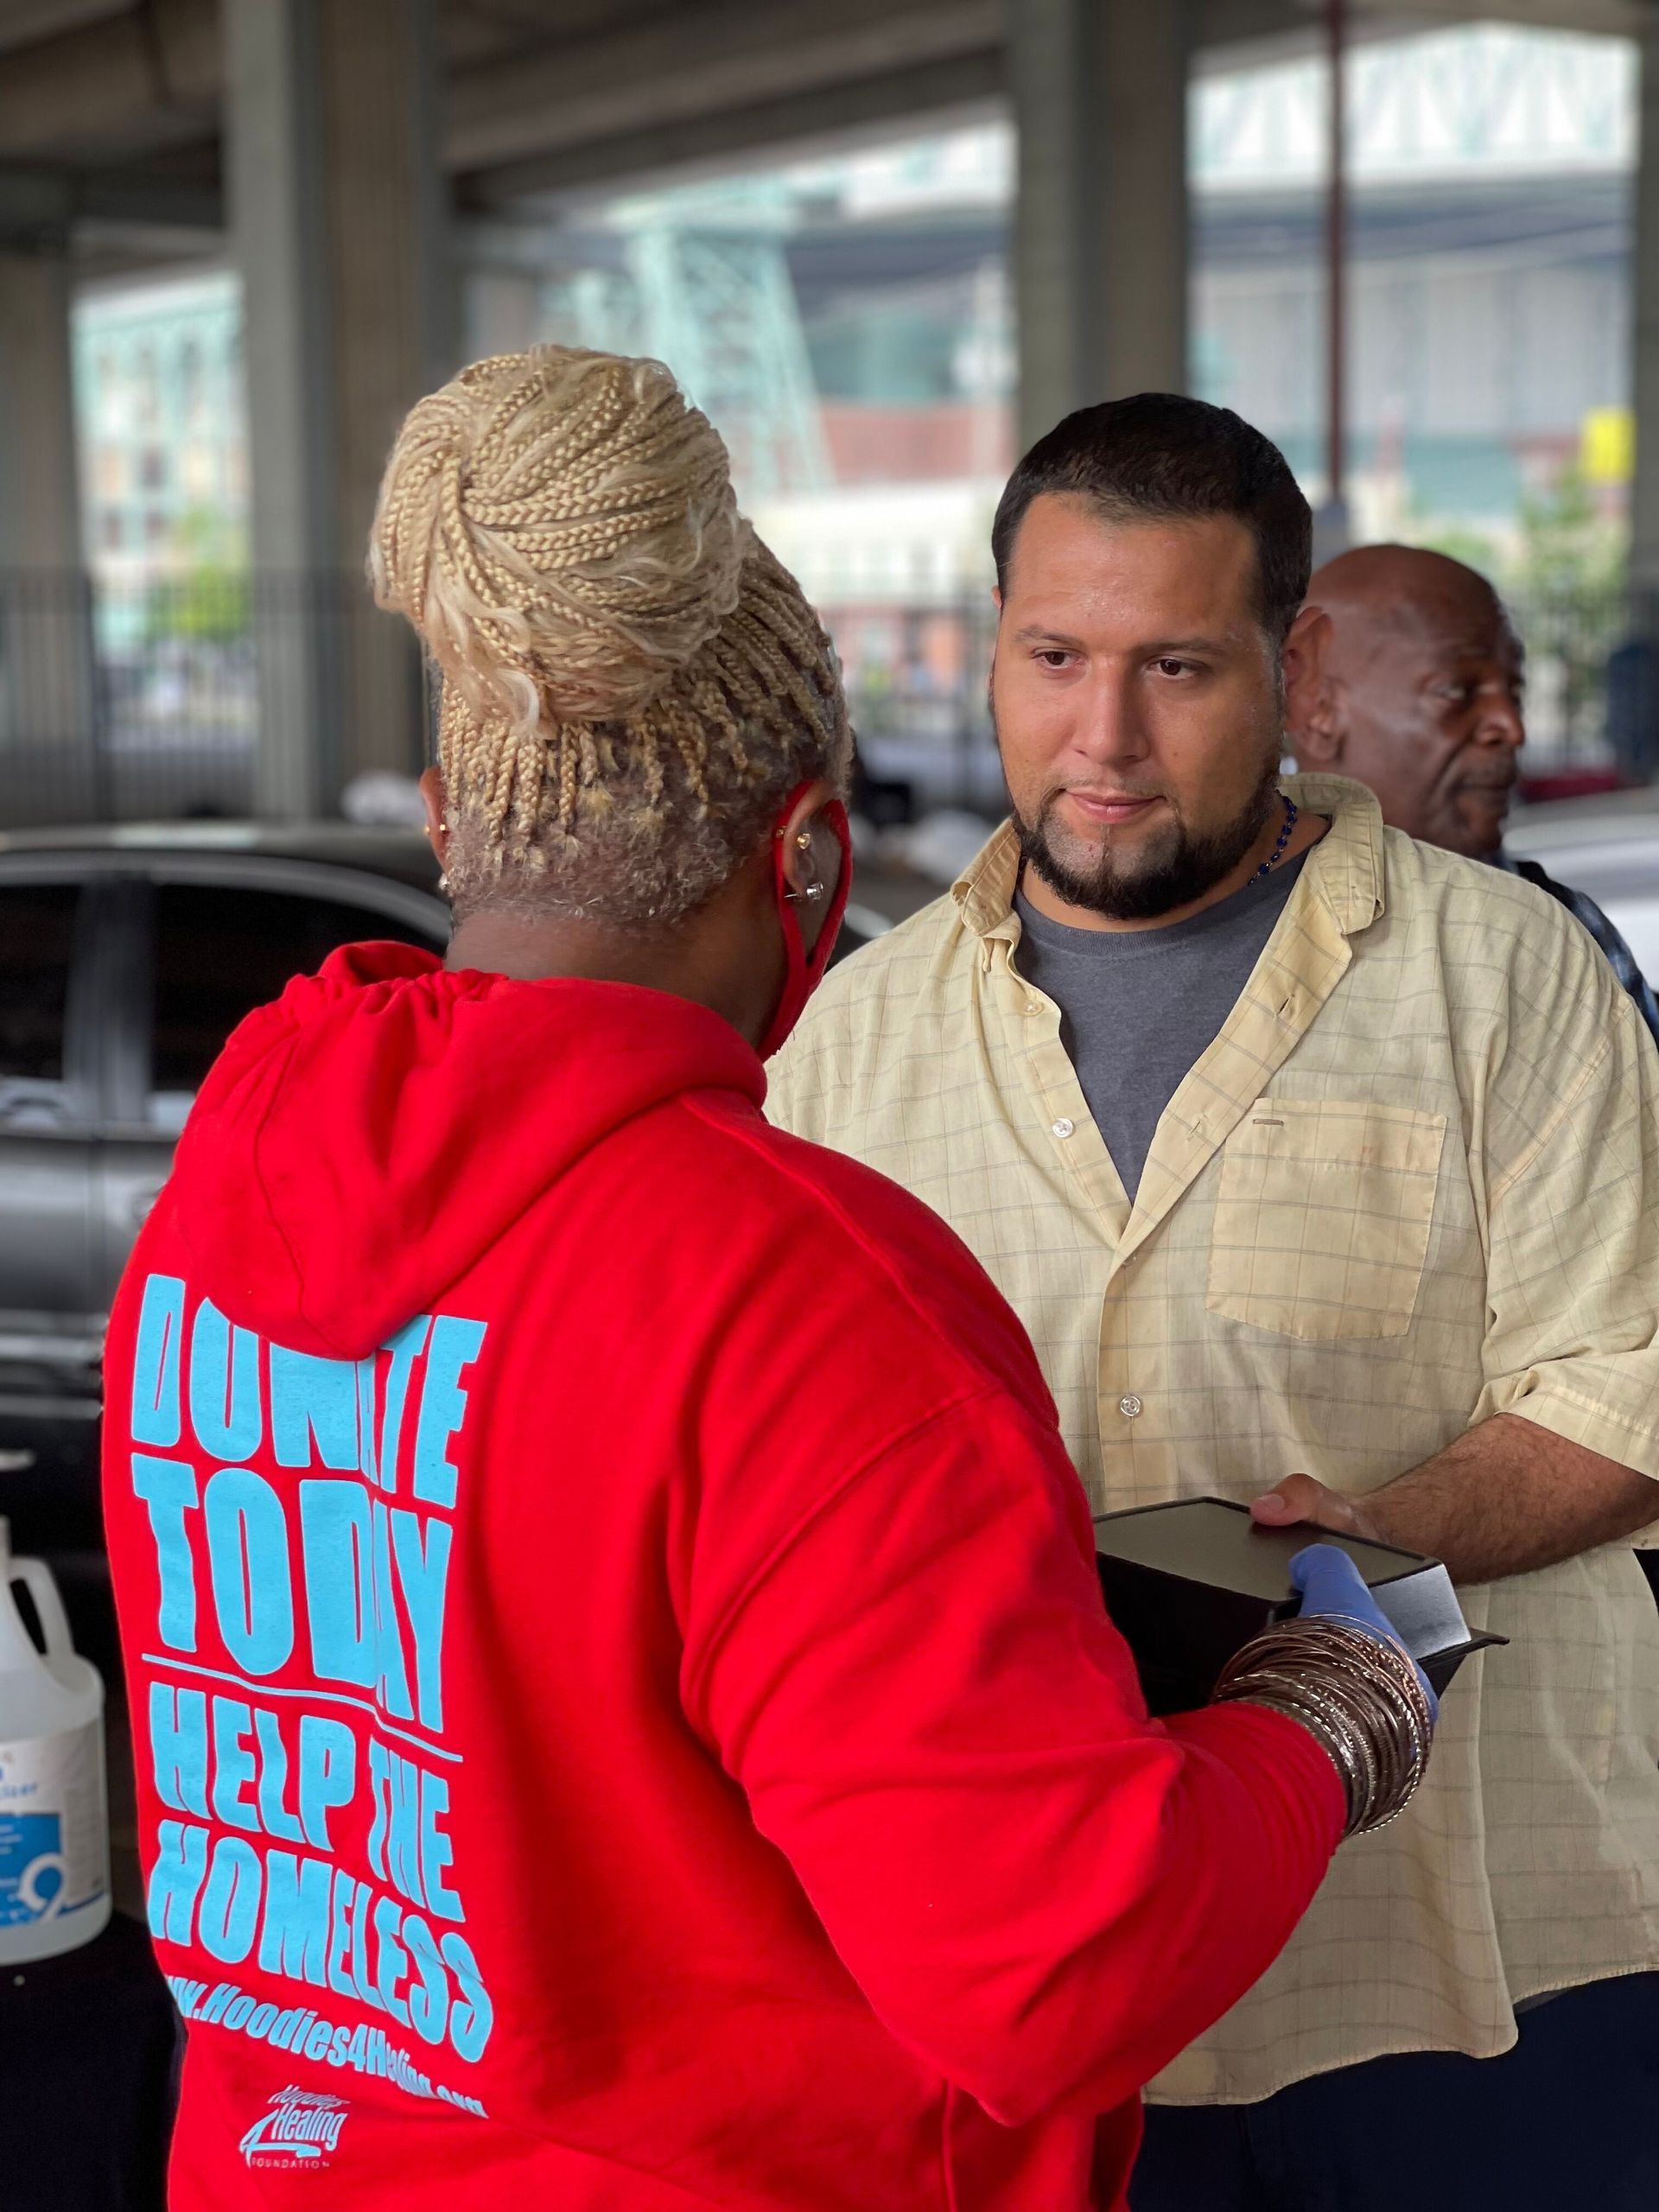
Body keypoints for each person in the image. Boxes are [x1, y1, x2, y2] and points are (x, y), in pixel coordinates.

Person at [99, 351, 1430, 2212]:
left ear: (447, 823)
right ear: (807, 853)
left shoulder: (212, 1220)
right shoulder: (800, 1294)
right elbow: (1053, 1971)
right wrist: (1324, 1719)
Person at [768, 393, 1659, 2212]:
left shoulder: (1507, 974)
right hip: (1064, 1989)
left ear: (1290, 666)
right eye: (1054, 658)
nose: (1103, 736)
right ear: (992, 649)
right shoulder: (850, 1043)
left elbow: (1630, 1382)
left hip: (1475, 1971)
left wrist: (1373, 1539)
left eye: (1174, 665)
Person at [1285, 540, 1659, 1040]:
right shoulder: (1243, 931)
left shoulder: (1561, 933)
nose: (1510, 727)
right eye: (1456, 691)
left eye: (1515, 690)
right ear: (1317, 710)